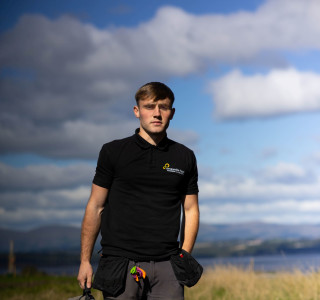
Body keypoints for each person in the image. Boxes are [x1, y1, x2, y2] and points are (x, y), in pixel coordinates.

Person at [77, 82, 200, 300]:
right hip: (119, 264)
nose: (156, 113)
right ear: (137, 111)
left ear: (172, 113)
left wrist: (184, 255)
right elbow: (95, 206)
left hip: (167, 266)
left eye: (163, 107)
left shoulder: (184, 156)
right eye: (149, 106)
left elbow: (190, 209)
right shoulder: (113, 151)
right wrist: (85, 261)